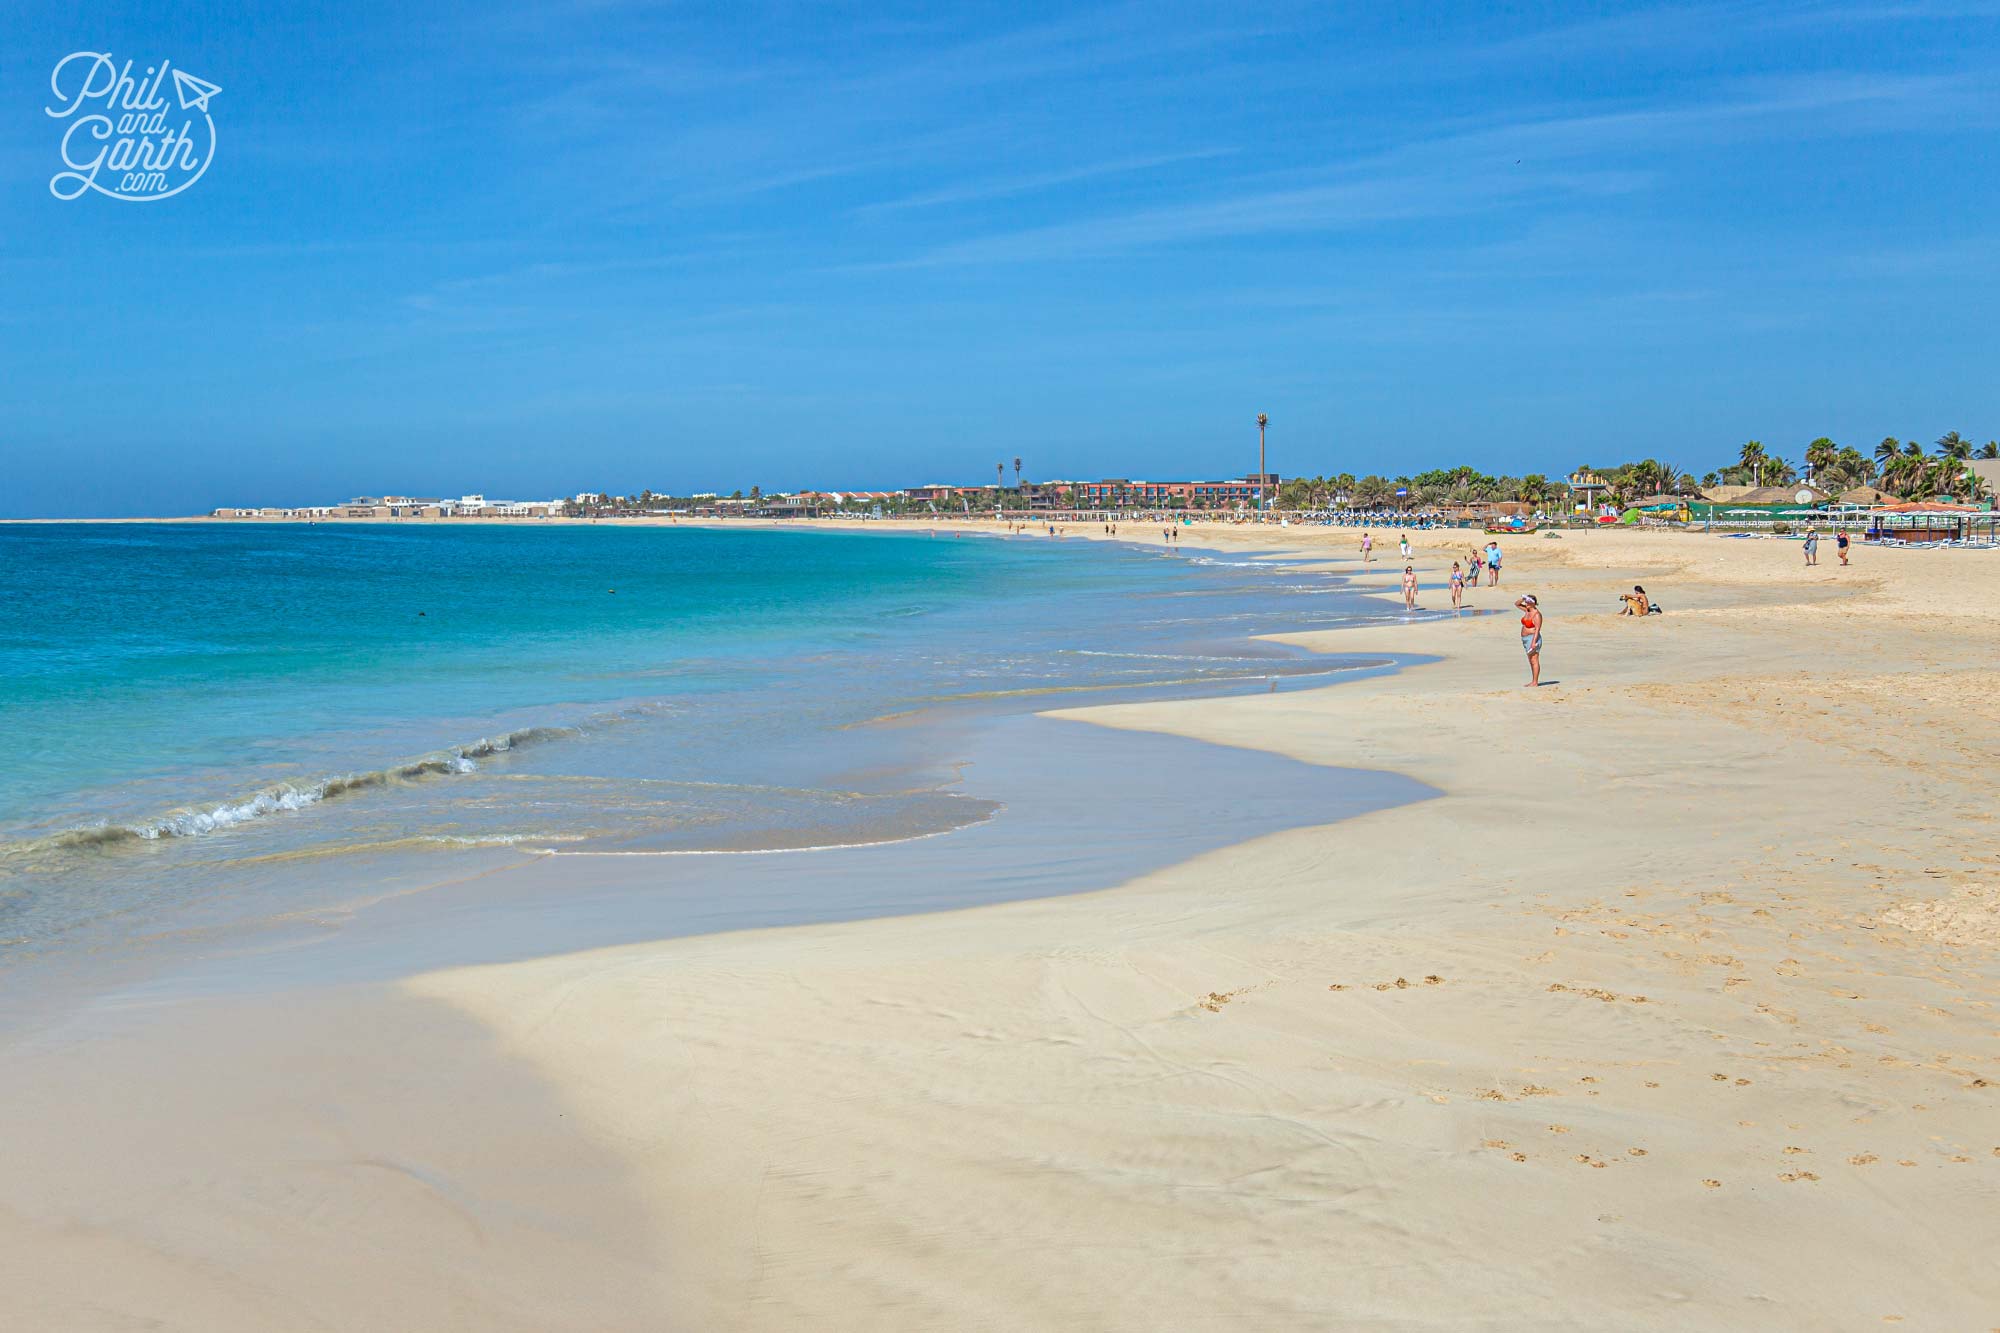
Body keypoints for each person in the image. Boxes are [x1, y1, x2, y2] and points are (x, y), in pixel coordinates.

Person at [1516, 594, 1543, 686]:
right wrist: (1523, 598)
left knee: (1534, 660)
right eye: (1526, 602)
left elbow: (1537, 630)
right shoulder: (1527, 610)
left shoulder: (1537, 615)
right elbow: (1517, 604)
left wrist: (1533, 643)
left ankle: (1535, 682)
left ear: (1533, 603)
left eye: (1528, 602)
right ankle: (1533, 681)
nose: (1526, 604)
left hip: (1533, 639)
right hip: (1525, 639)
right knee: (1530, 660)